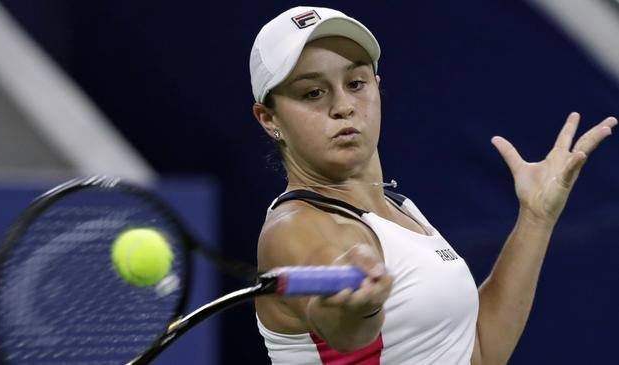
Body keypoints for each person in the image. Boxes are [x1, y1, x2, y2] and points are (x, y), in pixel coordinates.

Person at [249, 6, 616, 365]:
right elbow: (346, 335)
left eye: (356, 83)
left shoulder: (399, 208)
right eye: (313, 93)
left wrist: (536, 218)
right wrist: (357, 307)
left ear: (376, 87)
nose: (343, 105)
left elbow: (480, 351)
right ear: (269, 118)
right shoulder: (294, 229)